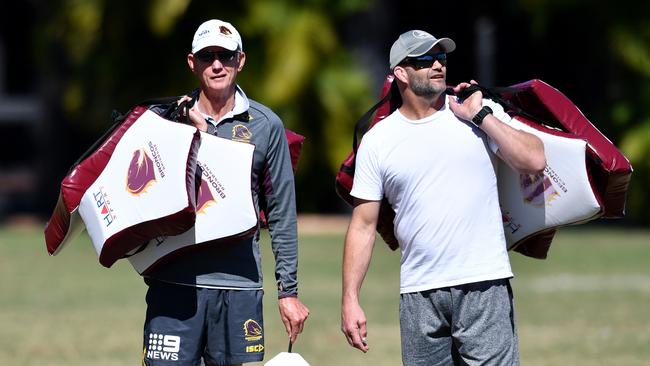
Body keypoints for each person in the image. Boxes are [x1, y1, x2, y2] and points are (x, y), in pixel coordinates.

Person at [340, 29, 546, 365]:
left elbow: (534, 160)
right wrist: (350, 299)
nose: (437, 65)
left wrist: (481, 117)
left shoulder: (476, 111)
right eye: (424, 59)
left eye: (441, 57)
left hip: (483, 284)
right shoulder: (378, 141)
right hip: (419, 294)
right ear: (400, 73)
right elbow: (363, 226)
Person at [141, 19, 309, 366]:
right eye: (207, 56)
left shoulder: (266, 125)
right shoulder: (167, 120)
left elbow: (281, 213)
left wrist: (288, 291)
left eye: (225, 55)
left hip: (238, 286)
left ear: (240, 60)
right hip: (174, 282)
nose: (217, 64)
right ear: (192, 62)